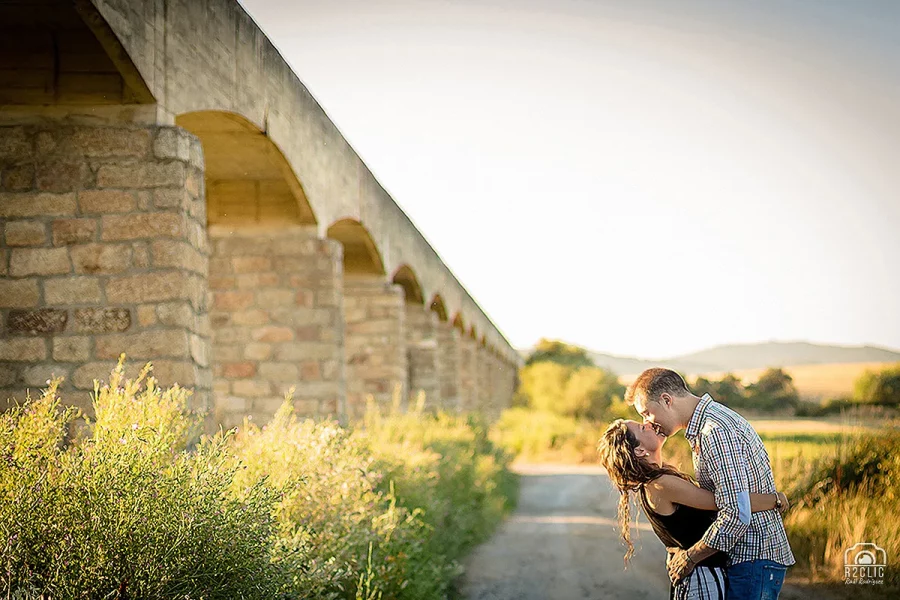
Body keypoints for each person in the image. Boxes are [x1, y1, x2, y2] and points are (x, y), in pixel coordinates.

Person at [626, 368, 795, 600]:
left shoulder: (714, 432)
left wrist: (691, 557)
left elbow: (736, 512)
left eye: (647, 413)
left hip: (752, 556)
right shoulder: (705, 427)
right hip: (745, 557)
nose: (647, 423)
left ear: (666, 400)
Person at [598, 418, 788, 600]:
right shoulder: (661, 484)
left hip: (701, 578)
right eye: (641, 428)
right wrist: (775, 500)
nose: (648, 424)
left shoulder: (654, 483)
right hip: (702, 582)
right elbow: (728, 503)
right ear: (639, 450)